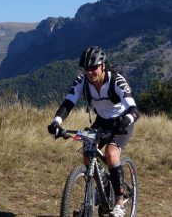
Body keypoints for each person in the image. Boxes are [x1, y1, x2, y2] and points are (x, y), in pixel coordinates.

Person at [48, 46, 139, 217]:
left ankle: (119, 202)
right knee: (87, 154)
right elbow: (68, 103)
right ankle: (104, 185)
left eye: (93, 68)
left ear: (102, 66)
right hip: (102, 122)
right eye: (86, 68)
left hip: (122, 121)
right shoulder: (82, 81)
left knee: (111, 154)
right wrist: (57, 122)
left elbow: (134, 110)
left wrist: (127, 119)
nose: (89, 72)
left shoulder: (116, 81)